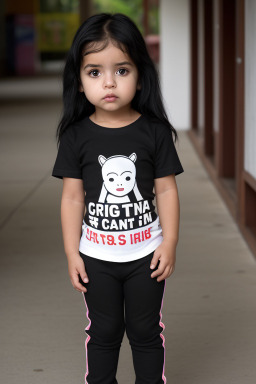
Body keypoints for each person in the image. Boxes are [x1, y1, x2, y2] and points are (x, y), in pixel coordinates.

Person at [52, 12, 184, 384]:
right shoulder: (77, 137)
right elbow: (72, 199)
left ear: (141, 75)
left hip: (147, 256)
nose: (109, 82)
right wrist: (71, 251)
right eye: (94, 72)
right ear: (78, 81)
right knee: (104, 333)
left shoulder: (154, 132)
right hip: (97, 258)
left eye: (122, 70)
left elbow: (166, 189)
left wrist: (170, 241)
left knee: (145, 332)